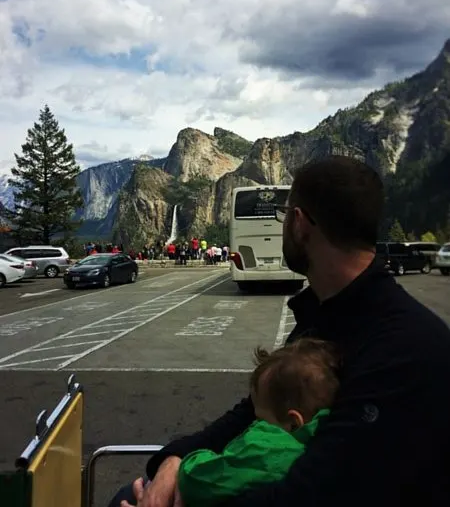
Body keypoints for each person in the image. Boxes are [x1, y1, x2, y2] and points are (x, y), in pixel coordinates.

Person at [110, 156, 450, 507]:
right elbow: (256, 411)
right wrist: (173, 460)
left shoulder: (404, 347)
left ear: (300, 224)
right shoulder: (328, 313)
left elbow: (314, 493)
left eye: (284, 215)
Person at [177, 338, 340, 506]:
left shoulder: (263, 449)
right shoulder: (331, 443)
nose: (254, 425)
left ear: (293, 422)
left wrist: (195, 458)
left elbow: (197, 479)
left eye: (260, 419)